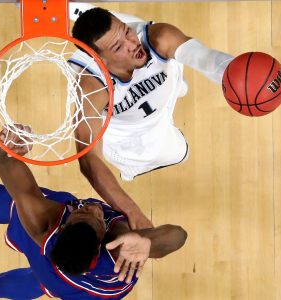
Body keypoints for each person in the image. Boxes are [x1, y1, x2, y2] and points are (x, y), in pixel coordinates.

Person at [0, 127, 187, 299]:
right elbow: (179, 237)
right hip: (74, 277)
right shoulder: (127, 246)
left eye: (91, 215)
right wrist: (148, 241)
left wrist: (4, 148)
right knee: (40, 274)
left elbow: (5, 163)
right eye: (88, 213)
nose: (91, 208)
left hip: (77, 288)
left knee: (17, 206)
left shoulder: (45, 224)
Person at [66, 7, 234, 229]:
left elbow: (207, 59)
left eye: (127, 32)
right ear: (100, 60)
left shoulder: (157, 38)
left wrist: (237, 69)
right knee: (178, 153)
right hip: (127, 134)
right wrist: (132, 212)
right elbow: (89, 160)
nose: (132, 44)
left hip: (162, 98)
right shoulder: (91, 88)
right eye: (118, 47)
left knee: (172, 68)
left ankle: (71, 7)